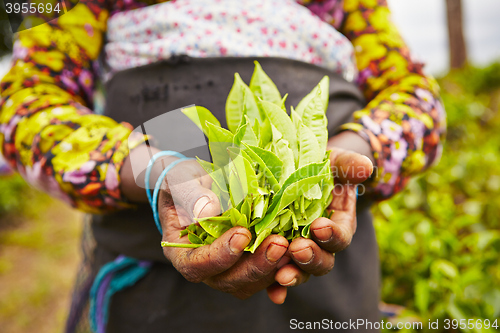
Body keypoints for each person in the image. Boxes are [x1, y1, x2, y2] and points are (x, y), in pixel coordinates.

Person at [0, 0, 446, 332]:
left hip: (328, 266)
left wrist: (350, 150)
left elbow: (416, 98)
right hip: (148, 275)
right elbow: (25, 102)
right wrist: (153, 168)